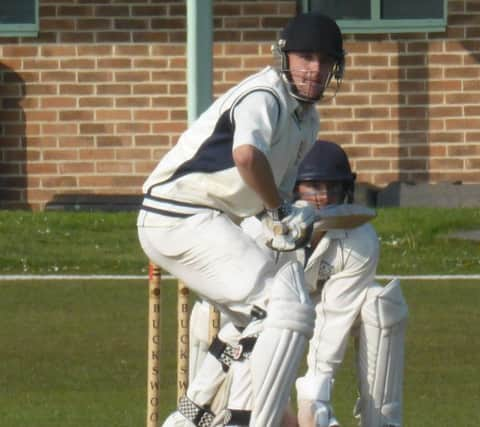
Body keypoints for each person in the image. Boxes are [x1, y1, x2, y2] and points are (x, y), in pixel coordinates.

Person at [137, 12, 346, 427]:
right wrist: (278, 212)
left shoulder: (308, 120)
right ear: (285, 58)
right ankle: (251, 420)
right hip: (178, 215)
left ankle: (189, 417)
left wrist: (293, 218)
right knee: (280, 309)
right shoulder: (264, 97)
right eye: (306, 57)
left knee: (247, 320)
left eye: (325, 60)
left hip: (213, 217)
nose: (315, 69)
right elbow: (246, 157)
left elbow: (275, 194)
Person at [188, 140, 409, 427]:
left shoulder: (361, 239)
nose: (324, 197)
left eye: (333, 187)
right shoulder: (258, 232)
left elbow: (335, 316)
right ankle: (200, 412)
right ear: (293, 187)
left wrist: (315, 396)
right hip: (262, 315)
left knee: (380, 304)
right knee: (207, 313)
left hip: (318, 310)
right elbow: (246, 313)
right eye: (314, 187)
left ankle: (381, 421)